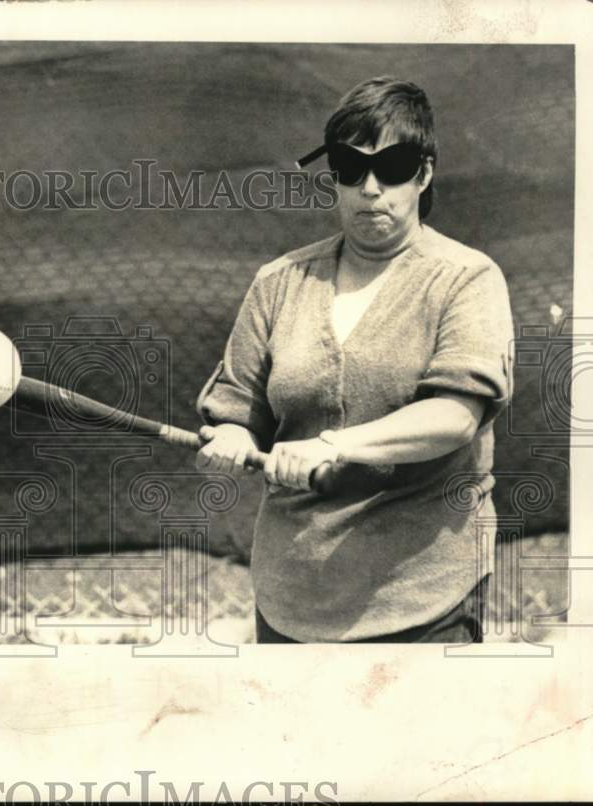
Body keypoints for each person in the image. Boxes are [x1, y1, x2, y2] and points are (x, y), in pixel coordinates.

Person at [196, 76, 514, 643]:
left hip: (421, 599)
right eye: (349, 165)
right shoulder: (278, 283)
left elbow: (454, 417)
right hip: (292, 600)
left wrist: (333, 444)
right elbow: (237, 411)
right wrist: (233, 439)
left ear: (424, 174)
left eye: (392, 166)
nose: (370, 188)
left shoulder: (467, 278)